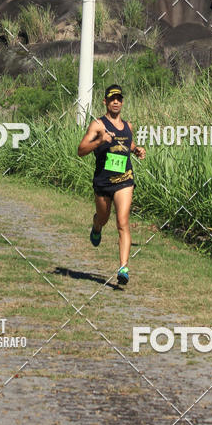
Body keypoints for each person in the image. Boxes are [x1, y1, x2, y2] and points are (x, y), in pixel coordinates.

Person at [78, 85, 145, 285]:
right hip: (103, 182)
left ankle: (123, 268)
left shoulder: (128, 126)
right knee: (103, 217)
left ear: (122, 102)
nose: (116, 102)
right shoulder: (98, 125)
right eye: (112, 99)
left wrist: (136, 150)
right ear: (105, 102)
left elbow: (126, 142)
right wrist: (99, 141)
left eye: (119, 98)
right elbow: (81, 150)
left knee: (122, 222)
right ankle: (96, 226)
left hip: (125, 180)